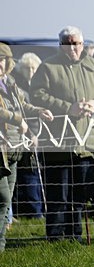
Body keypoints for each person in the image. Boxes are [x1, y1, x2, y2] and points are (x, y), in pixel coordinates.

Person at [30, 26, 94, 241]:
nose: (73, 47)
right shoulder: (48, 67)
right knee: (59, 194)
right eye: (68, 43)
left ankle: (75, 237)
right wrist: (66, 107)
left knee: (79, 195)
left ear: (82, 44)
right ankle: (56, 239)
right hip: (59, 142)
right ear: (61, 45)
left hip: (88, 143)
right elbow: (36, 94)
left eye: (76, 43)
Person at [0, 43, 53, 251]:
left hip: (14, 149)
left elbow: (24, 104)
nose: (0, 63)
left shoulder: (10, 83)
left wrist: (38, 110)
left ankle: (2, 246)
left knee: (7, 200)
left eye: (3, 59)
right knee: (2, 198)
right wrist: (18, 119)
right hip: (2, 148)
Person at [10, 52, 45, 219]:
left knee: (37, 173)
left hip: (40, 133)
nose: (31, 71)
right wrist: (32, 134)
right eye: (27, 68)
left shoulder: (39, 86)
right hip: (26, 134)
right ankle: (34, 211)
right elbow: (24, 112)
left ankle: (37, 209)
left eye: (34, 68)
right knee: (28, 173)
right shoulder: (19, 87)